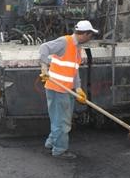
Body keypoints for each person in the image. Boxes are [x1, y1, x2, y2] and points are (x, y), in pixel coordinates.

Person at [39, 20, 97, 159]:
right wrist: (44, 67)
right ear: (84, 34)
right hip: (58, 89)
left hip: (65, 89)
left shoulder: (77, 48)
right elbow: (44, 48)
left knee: (57, 119)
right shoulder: (65, 42)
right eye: (90, 35)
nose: (91, 38)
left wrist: (78, 88)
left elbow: (74, 70)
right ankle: (60, 150)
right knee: (63, 122)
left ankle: (51, 143)